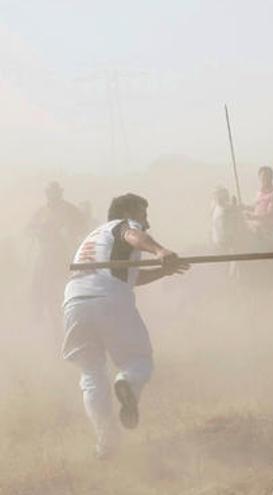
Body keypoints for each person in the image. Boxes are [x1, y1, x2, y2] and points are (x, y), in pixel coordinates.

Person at [62, 193, 189, 459]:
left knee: (91, 374)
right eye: (144, 216)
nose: (148, 223)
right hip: (108, 299)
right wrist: (160, 251)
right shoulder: (123, 226)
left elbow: (128, 276)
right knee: (139, 360)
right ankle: (128, 383)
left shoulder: (95, 237)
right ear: (130, 214)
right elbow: (132, 235)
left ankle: (106, 442)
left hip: (74, 302)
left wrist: (161, 272)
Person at [27, 181, 86, 329]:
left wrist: (69, 230)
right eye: (49, 192)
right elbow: (29, 228)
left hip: (63, 252)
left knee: (78, 279)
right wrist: (37, 232)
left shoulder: (69, 209)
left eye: (54, 192)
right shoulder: (41, 211)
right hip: (45, 252)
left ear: (60, 193)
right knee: (35, 280)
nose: (52, 195)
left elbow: (81, 226)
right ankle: (36, 313)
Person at [245, 166, 273, 236]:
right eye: (262, 177)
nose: (265, 179)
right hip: (257, 227)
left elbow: (270, 215)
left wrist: (254, 217)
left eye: (267, 177)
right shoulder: (259, 193)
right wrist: (243, 207)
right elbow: (255, 207)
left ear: (271, 178)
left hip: (270, 230)